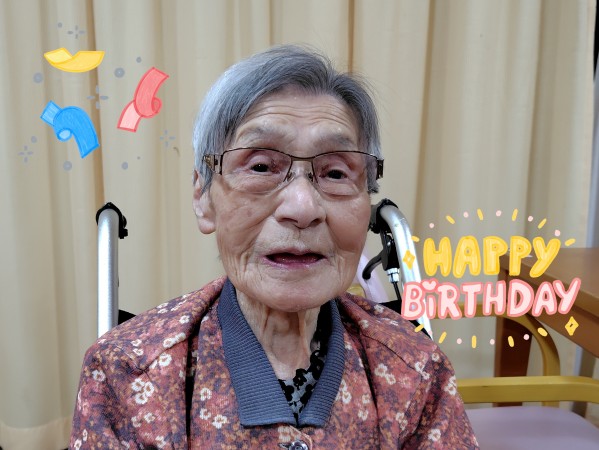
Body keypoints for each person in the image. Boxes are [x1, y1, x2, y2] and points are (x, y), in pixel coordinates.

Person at [70, 44, 479, 449]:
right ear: (204, 197)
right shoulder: (128, 372)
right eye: (262, 167)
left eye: (336, 173)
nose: (302, 208)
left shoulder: (415, 368)